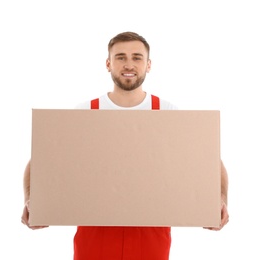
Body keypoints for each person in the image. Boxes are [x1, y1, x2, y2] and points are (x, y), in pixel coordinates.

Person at [21, 31, 229, 260]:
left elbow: (207, 157)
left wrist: (219, 202)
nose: (128, 64)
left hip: (151, 231)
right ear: (108, 64)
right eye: (120, 57)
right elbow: (43, 158)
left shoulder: (167, 112)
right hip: (94, 230)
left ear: (148, 65)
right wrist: (32, 202)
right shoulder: (86, 112)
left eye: (137, 57)